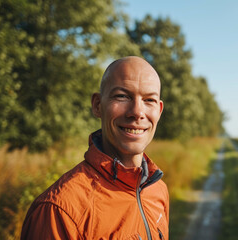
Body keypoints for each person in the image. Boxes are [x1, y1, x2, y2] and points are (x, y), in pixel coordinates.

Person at [21, 56, 169, 240]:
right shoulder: (59, 210)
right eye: (122, 96)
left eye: (149, 100)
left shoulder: (157, 189)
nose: (137, 112)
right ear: (98, 105)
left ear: (159, 111)